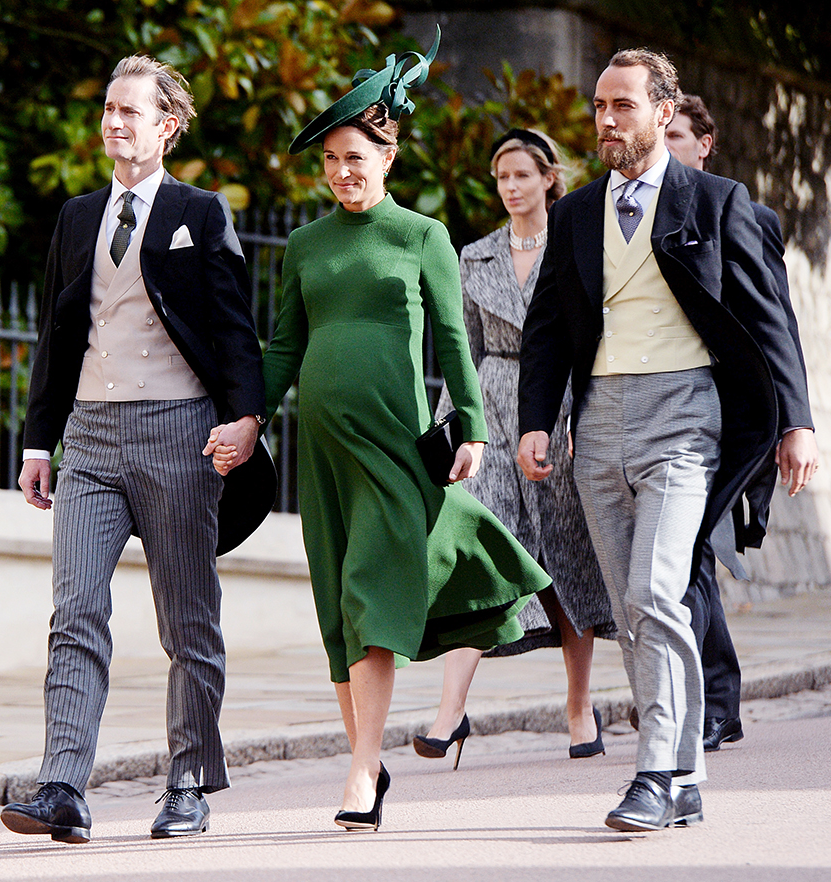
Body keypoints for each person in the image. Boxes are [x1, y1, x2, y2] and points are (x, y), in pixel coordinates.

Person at [222, 29, 551, 832]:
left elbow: (451, 338)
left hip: (397, 447)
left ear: (388, 157)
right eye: (331, 158)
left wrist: (469, 425)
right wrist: (248, 418)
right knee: (339, 609)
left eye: (356, 157)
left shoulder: (421, 238)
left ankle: (361, 769)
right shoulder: (305, 244)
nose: (342, 171)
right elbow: (286, 346)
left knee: (370, 593)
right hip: (322, 456)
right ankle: (367, 757)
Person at [517, 49, 817, 832]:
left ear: (661, 109)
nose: (606, 119)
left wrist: (797, 422)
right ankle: (682, 776)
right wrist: (534, 421)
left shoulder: (715, 201)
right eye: (597, 107)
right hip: (599, 419)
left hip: (686, 414)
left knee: (658, 587)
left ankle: (658, 768)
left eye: (622, 105)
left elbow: (766, 316)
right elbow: (548, 325)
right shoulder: (577, 211)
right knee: (628, 602)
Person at [2, 55, 272, 844]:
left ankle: (188, 782)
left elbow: (233, 332)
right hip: (87, 435)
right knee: (76, 608)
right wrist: (37, 440)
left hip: (178, 435)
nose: (115, 123)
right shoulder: (77, 216)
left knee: (187, 618)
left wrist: (246, 419)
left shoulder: (201, 211)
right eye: (109, 110)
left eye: (131, 112)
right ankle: (62, 785)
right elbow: (58, 332)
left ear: (168, 126)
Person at [412, 129, 616, 768]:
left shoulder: (582, 243)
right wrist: (452, 432)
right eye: (501, 177)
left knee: (566, 559)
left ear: (548, 178)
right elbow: (463, 352)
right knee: (482, 559)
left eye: (521, 175)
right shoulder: (474, 257)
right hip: (491, 416)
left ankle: (580, 707)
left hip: (557, 411)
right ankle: (448, 715)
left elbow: (593, 339)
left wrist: (590, 416)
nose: (510, 188)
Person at [664, 93, 809, 752]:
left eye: (677, 138)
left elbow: (775, 319)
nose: (664, 149)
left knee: (690, 545)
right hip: (660, 412)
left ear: (705, 145)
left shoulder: (745, 214)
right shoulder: (625, 217)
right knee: (683, 552)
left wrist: (794, 423)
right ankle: (711, 697)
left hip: (733, 417)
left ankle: (710, 700)